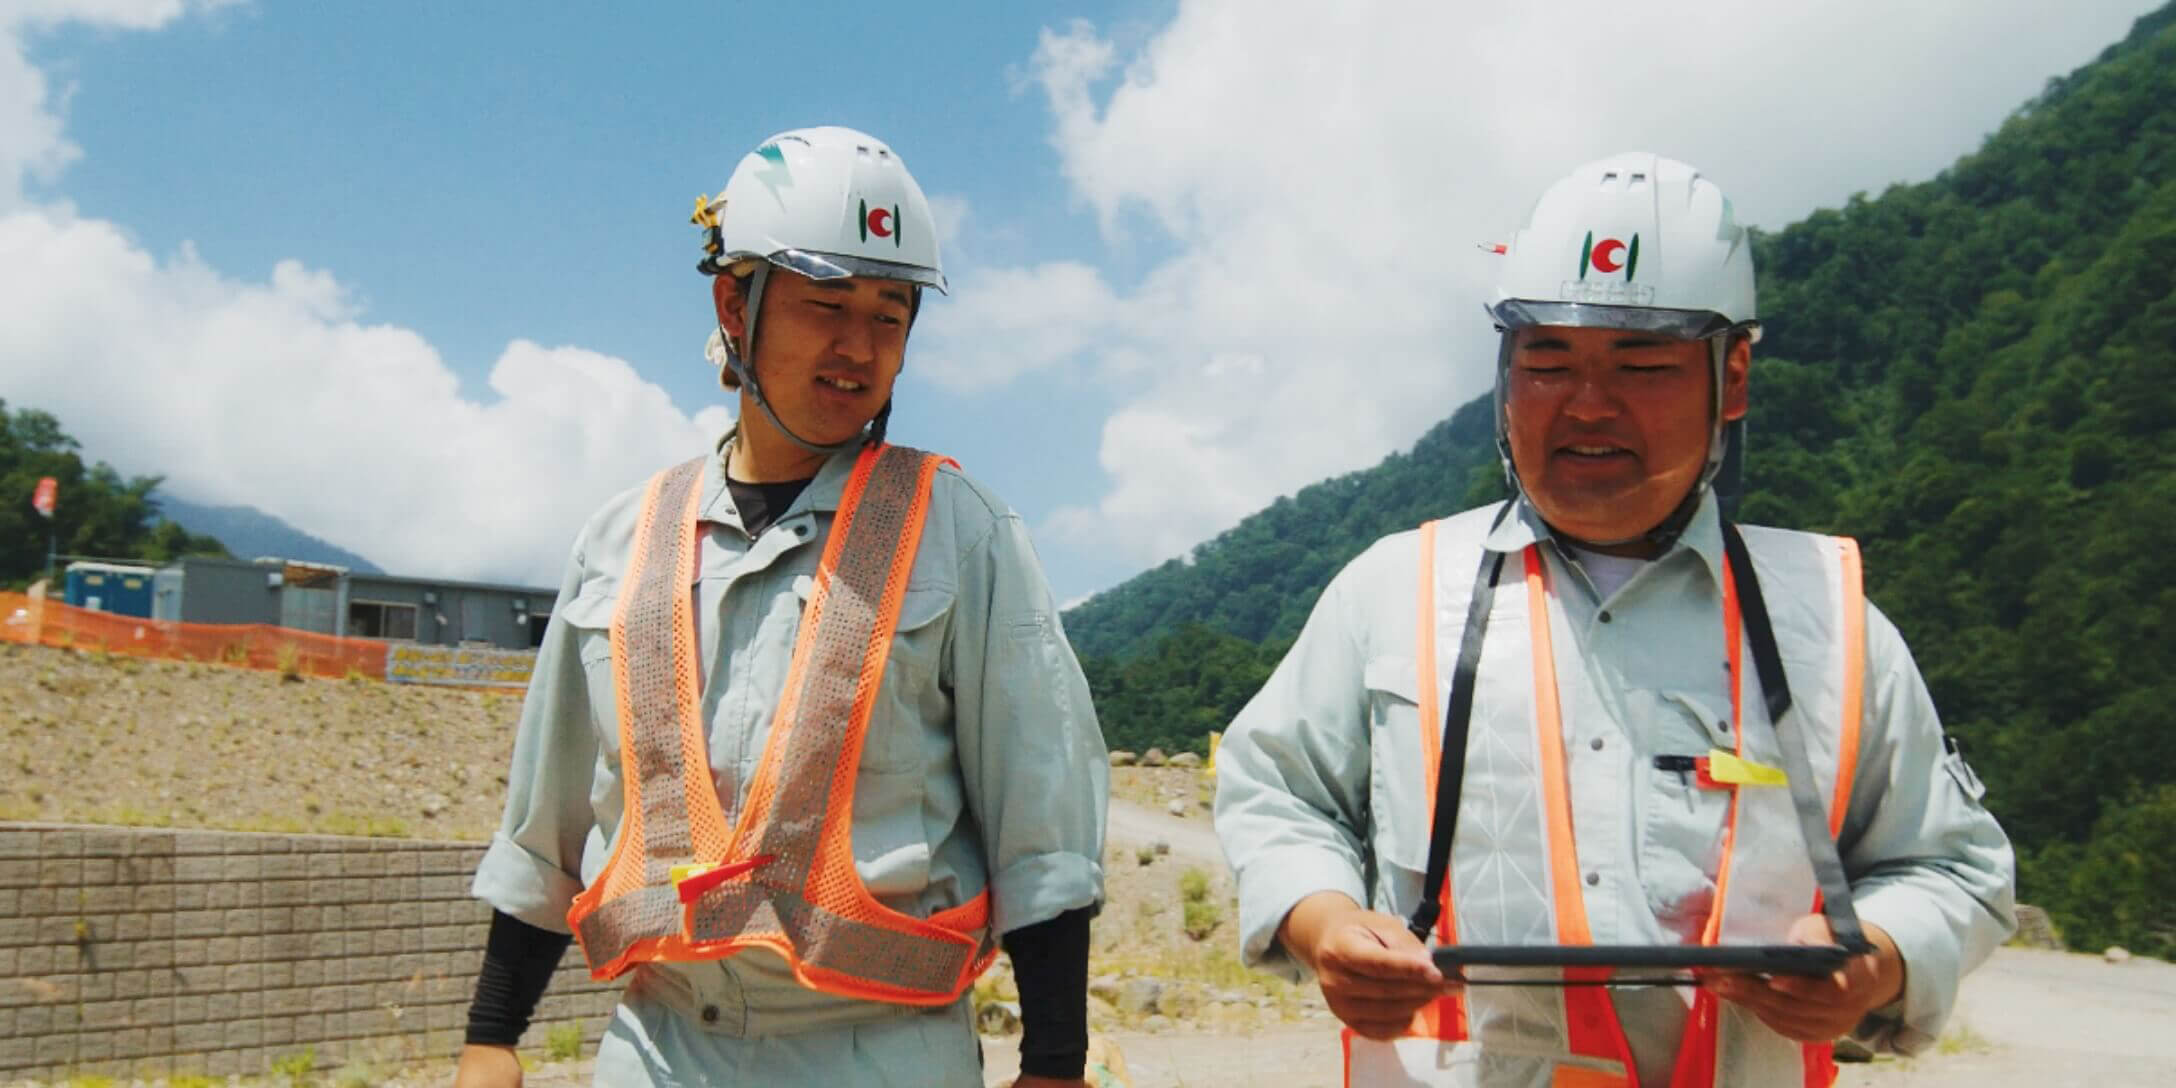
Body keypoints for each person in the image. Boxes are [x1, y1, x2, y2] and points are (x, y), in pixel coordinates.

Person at [1212, 153, 2015, 1087]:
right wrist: (1325, 923)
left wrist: (1877, 958)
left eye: (1642, 364)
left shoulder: (1830, 622)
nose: (1587, 403)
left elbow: (1954, 866)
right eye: (1547, 360)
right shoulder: (1392, 591)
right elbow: (1277, 790)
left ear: (1735, 377)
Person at [455, 126, 1109, 1088]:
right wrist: (491, 1038)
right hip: (658, 1047)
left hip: (884, 1054)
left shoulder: (964, 537)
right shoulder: (620, 544)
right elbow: (544, 823)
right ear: (736, 302)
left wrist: (1055, 1061)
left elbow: (1042, 826)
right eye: (826, 305)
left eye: (891, 315)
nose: (861, 347)